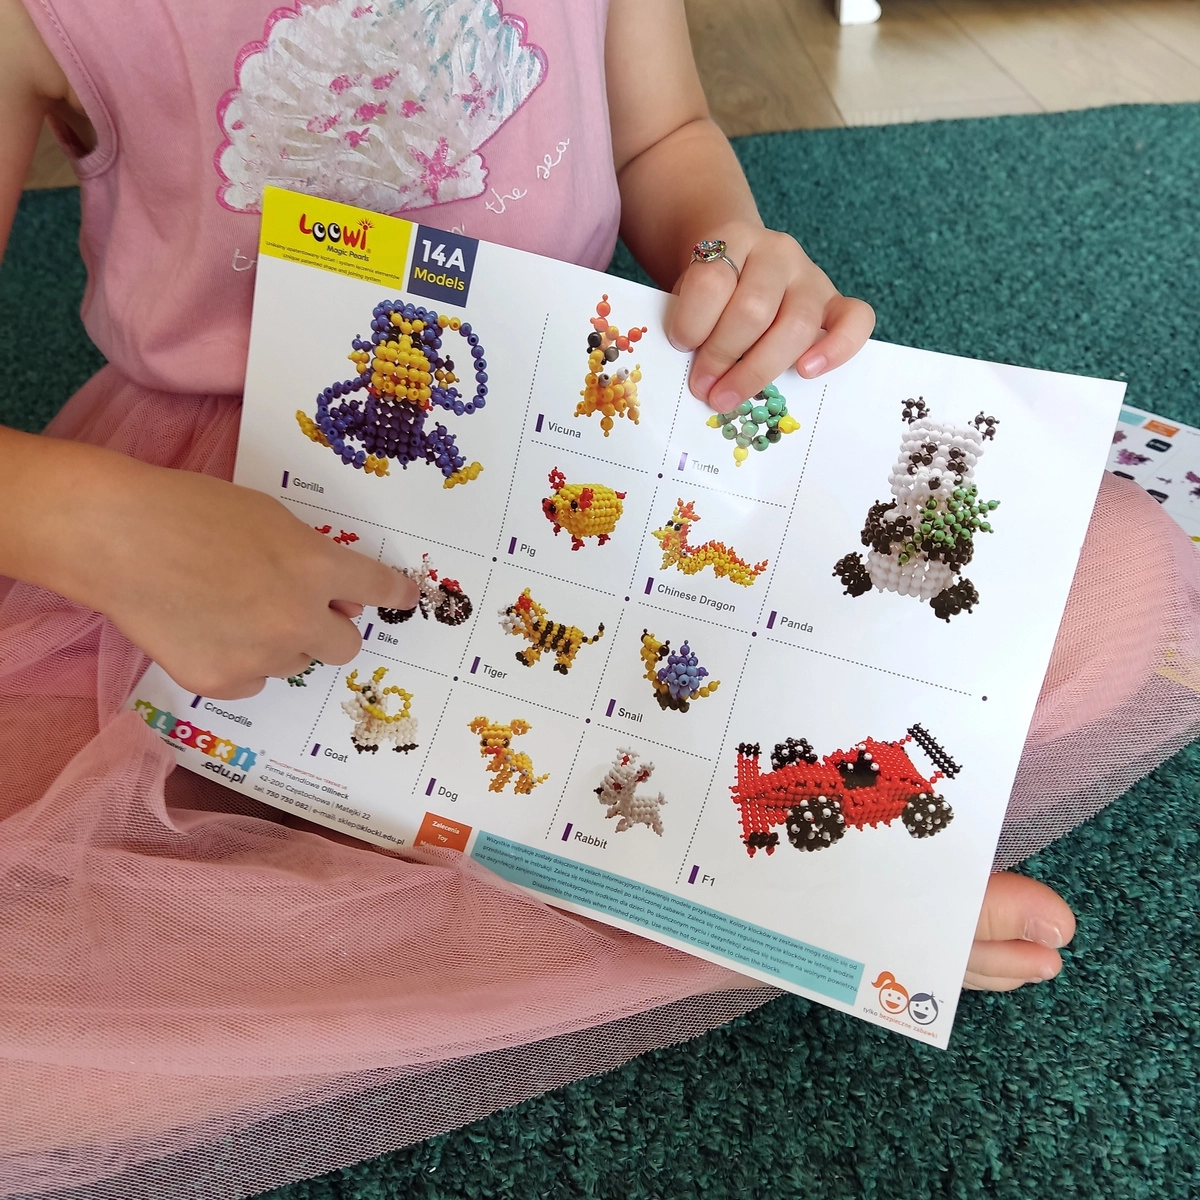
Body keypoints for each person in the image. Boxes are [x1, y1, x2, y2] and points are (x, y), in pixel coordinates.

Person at [0, 0, 1195, 1193]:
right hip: (195, 507)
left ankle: (596, 889)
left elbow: (664, 138)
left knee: (1120, 574)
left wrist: (730, 257)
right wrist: (108, 533)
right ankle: (748, 903)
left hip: (576, 460)